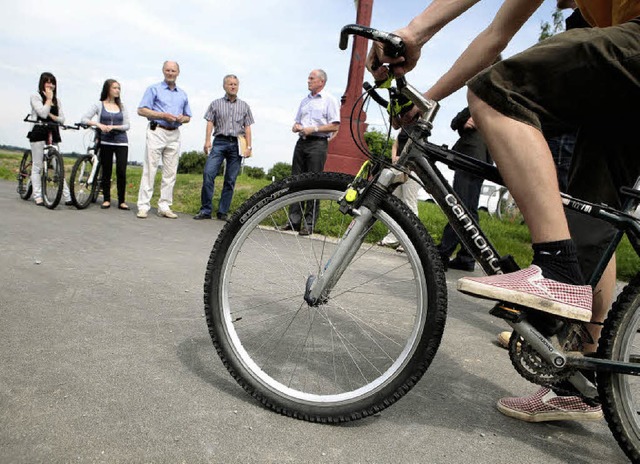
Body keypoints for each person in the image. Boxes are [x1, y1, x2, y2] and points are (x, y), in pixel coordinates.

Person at [367, 0, 640, 421]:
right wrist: (428, 98)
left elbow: (496, 60)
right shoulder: (599, 12)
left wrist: (416, 30)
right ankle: (585, 381)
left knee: (498, 90)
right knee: (592, 219)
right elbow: (495, 35)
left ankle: (555, 272)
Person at [283, 69, 340, 236]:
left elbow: (335, 125)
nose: (308, 81)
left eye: (311, 78)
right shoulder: (305, 101)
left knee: (312, 182)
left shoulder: (329, 100)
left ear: (321, 81)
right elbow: (297, 122)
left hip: (318, 144)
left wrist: (313, 129)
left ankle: (309, 224)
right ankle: (293, 221)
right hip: (301, 143)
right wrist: (296, 127)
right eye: (308, 78)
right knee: (296, 181)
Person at [437, 106, 492, 272]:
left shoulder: (479, 102)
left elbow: (454, 122)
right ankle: (466, 257)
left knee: (458, 208)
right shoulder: (498, 107)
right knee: (469, 209)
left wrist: (466, 119)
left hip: (469, 157)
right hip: (482, 160)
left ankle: (442, 253)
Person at [193, 75, 254, 221]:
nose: (233, 86)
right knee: (208, 174)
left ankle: (222, 212)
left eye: (235, 84)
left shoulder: (244, 106)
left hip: (237, 144)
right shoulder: (215, 104)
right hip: (219, 142)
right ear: (224, 86)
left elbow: (248, 127)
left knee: (230, 180)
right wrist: (207, 141)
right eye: (230, 84)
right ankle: (206, 210)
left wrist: (249, 147)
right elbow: (209, 122)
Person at [136, 61, 192, 219]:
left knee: (170, 172)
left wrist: (183, 118)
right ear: (163, 71)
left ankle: (165, 205)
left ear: (178, 72)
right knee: (150, 169)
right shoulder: (154, 89)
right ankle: (143, 205)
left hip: (174, 133)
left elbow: (188, 116)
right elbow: (141, 110)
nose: (170, 73)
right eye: (168, 70)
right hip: (157, 130)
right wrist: (162, 115)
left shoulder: (182, 94)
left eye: (173, 70)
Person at [81, 79, 130, 210]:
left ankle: (121, 201)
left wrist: (113, 127)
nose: (117, 90)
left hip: (121, 142)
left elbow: (127, 125)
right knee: (106, 170)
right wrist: (99, 125)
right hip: (106, 141)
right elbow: (84, 119)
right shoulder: (99, 105)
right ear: (108, 89)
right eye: (115, 88)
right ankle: (106, 199)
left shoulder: (122, 106)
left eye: (119, 88)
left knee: (121, 171)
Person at [27, 72, 73, 207]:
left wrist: (52, 115)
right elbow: (41, 113)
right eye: (47, 82)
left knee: (58, 166)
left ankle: (67, 196)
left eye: (52, 82)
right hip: (39, 131)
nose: (50, 85)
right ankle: (38, 195)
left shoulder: (57, 100)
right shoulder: (35, 96)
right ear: (42, 83)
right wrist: (48, 100)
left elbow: (62, 119)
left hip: (52, 132)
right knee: (37, 166)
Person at [378, 131, 421, 250]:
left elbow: (415, 148)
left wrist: (403, 157)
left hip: (412, 169)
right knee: (395, 203)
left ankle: (409, 241)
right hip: (398, 166)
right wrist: (394, 158)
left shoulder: (421, 129)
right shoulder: (405, 127)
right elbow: (395, 144)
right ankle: (392, 239)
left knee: (409, 203)